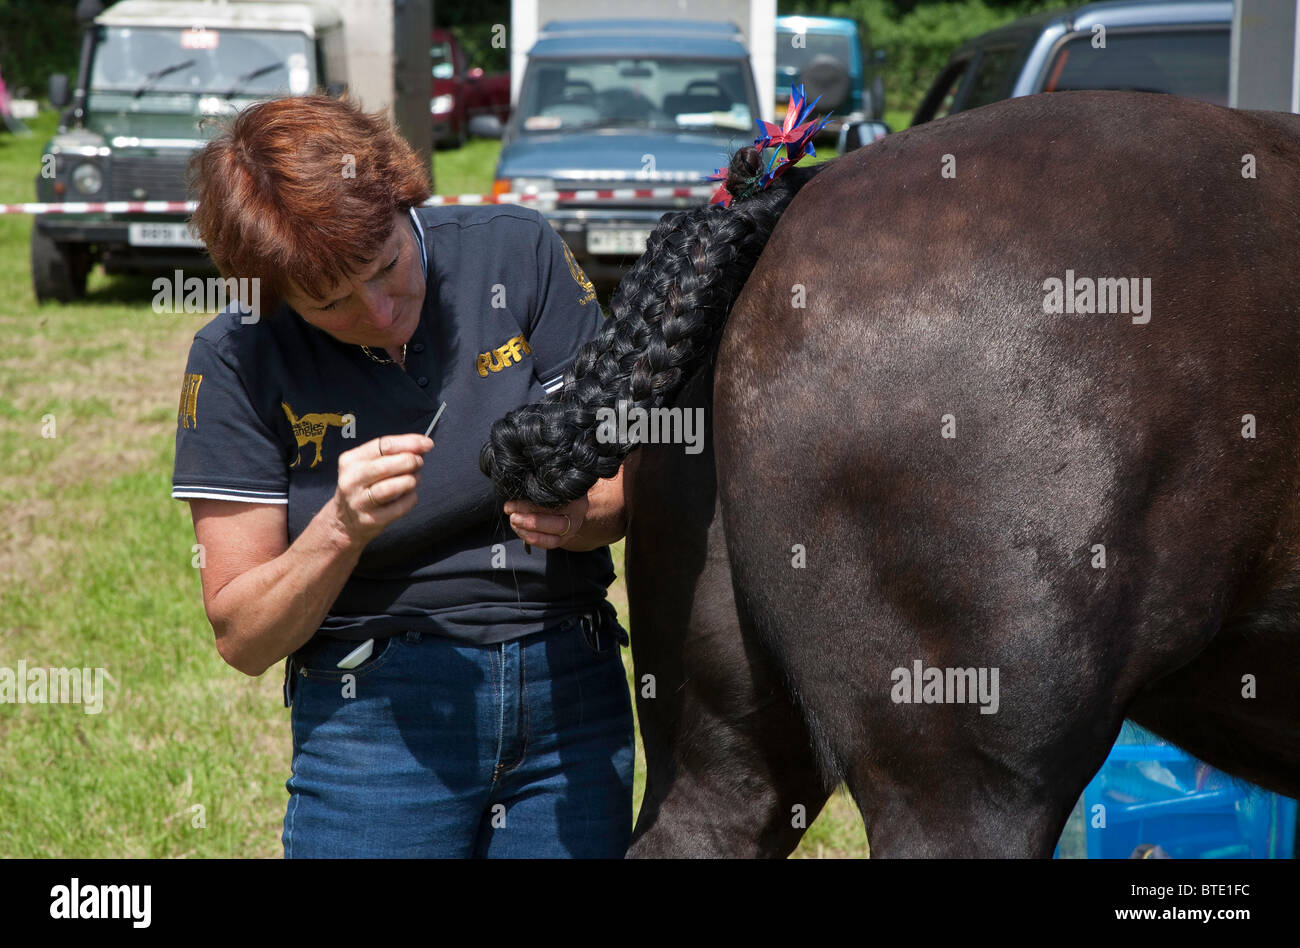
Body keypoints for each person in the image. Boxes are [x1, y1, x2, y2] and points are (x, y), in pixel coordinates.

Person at [171, 95, 634, 858]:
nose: (381, 314)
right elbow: (244, 637)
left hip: (569, 689)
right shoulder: (236, 357)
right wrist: (338, 530)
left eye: (388, 266)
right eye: (331, 305)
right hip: (375, 717)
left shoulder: (513, 250)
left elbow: (631, 485)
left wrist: (583, 515)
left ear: (401, 194)